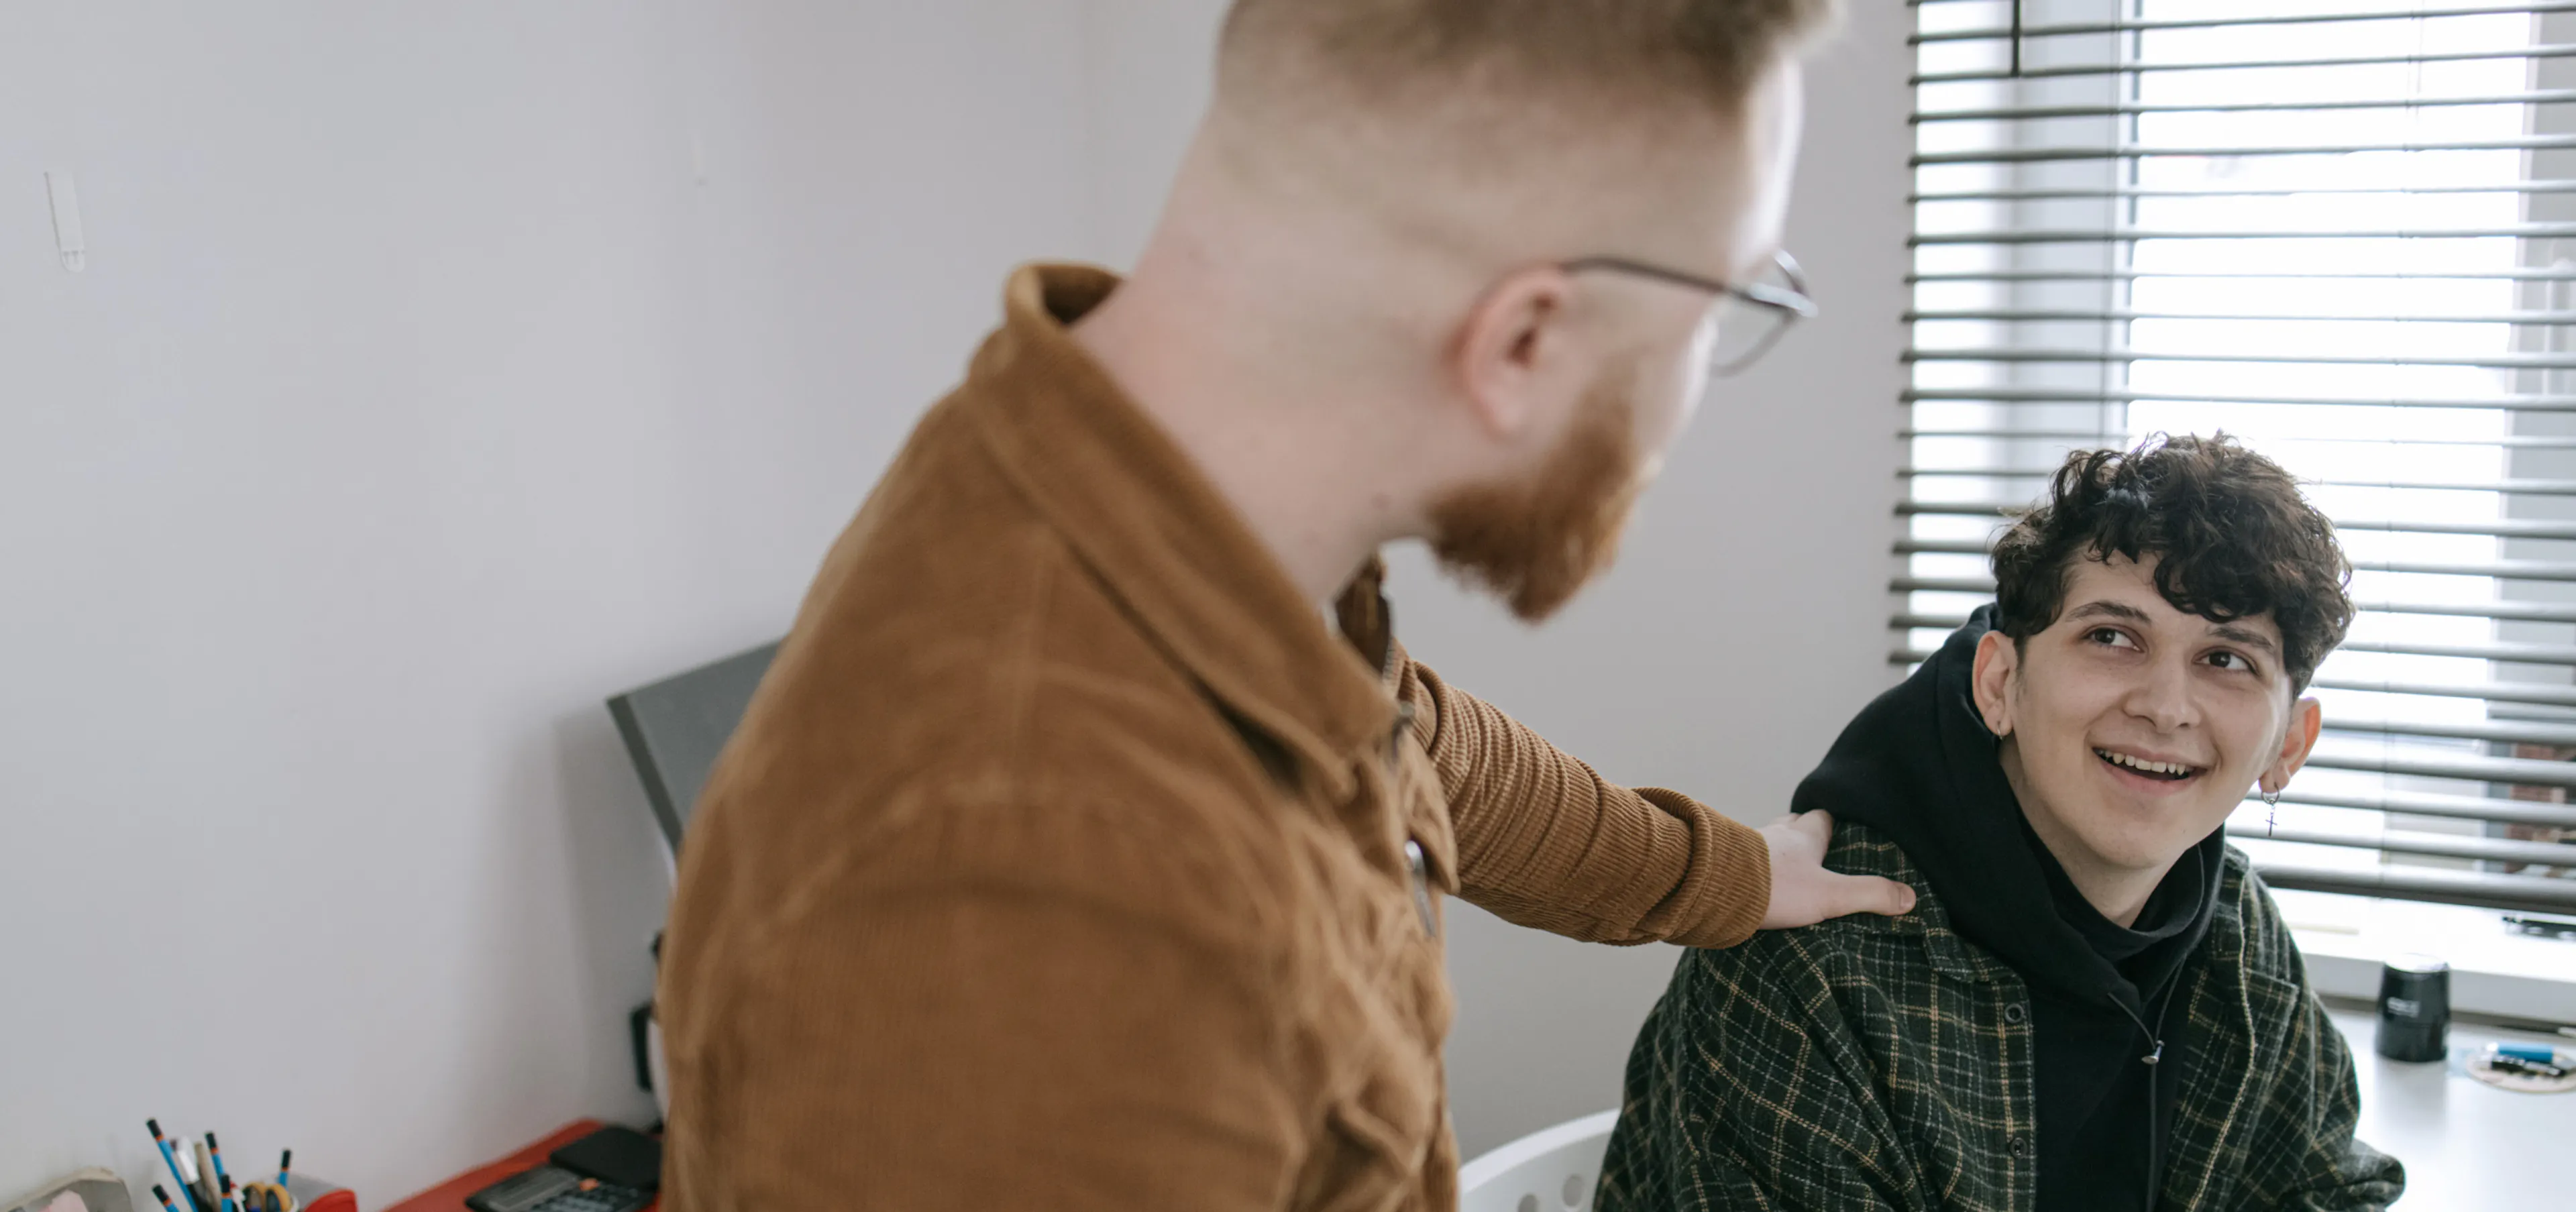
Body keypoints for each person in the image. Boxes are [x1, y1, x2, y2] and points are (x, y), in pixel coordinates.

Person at [654, 2, 1915, 1209]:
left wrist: (1731, 872)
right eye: (1726, 307)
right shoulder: (1040, 888)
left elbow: (1420, 752)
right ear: (1522, 341)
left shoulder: (1149, 501)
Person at [1599, 435, 2406, 1212]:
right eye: (2112, 637)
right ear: (1999, 684)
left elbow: (2330, 1188)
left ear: (2288, 745)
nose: (2166, 707)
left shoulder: (2239, 935)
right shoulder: (1809, 969)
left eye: (2226, 659)